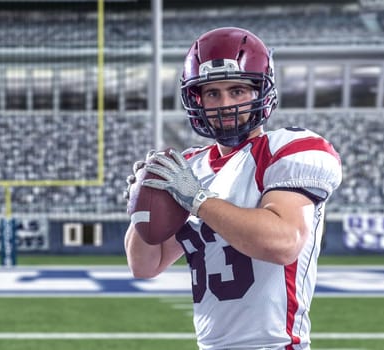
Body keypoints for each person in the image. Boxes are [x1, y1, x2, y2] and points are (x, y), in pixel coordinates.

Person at [124, 27, 342, 350]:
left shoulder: (287, 150)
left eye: (237, 90)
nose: (225, 104)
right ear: (196, 100)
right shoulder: (189, 167)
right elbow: (145, 264)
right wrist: (141, 205)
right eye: (212, 93)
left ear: (260, 92)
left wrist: (197, 200)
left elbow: (283, 243)